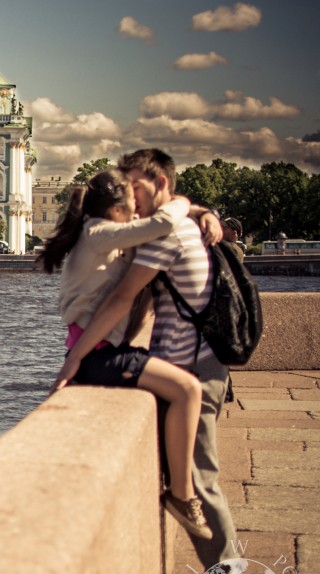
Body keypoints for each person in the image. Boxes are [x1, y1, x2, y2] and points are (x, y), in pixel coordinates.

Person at [54, 149, 249, 574]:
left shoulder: (169, 232)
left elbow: (122, 297)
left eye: (137, 187)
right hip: (191, 364)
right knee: (196, 479)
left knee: (200, 484)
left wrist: (76, 358)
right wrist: (200, 208)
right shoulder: (174, 221)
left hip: (196, 370)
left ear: (158, 181)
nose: (132, 198)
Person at [41, 168, 211, 539]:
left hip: (99, 351)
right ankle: (181, 495)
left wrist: (201, 213)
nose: (137, 214)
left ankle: (176, 483)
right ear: (117, 209)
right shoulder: (98, 233)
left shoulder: (105, 237)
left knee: (181, 390)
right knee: (188, 390)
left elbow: (156, 230)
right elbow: (164, 220)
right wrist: (183, 202)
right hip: (97, 356)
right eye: (133, 206)